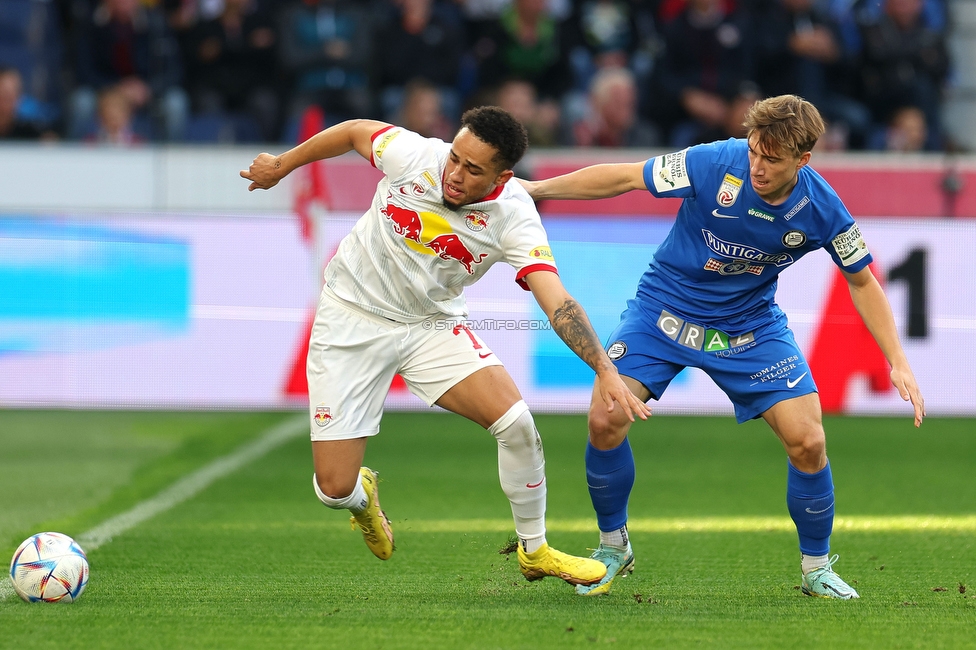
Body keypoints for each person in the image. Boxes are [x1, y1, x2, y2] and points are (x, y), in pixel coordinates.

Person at [519, 94, 925, 598]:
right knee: (605, 419)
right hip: (664, 312)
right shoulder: (712, 161)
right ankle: (613, 545)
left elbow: (862, 282)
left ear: (803, 160)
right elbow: (625, 176)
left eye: (771, 159)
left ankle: (816, 569)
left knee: (810, 442)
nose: (756, 165)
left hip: (748, 328)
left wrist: (898, 360)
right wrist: (534, 188)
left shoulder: (822, 208)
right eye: (754, 151)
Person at [240, 106, 649, 587]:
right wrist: (283, 165)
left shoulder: (514, 217)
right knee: (334, 489)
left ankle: (534, 550)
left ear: (502, 176)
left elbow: (556, 300)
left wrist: (604, 367)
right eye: (455, 157)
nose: (453, 174)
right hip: (349, 318)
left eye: (473, 169)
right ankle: (362, 500)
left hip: (429, 327)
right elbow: (353, 132)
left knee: (517, 424)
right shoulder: (414, 154)